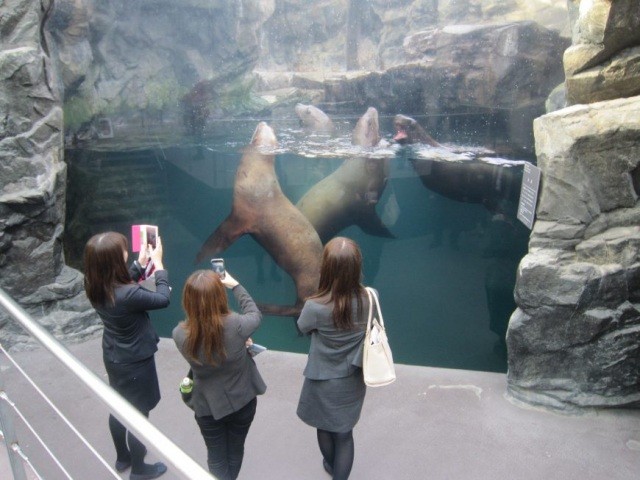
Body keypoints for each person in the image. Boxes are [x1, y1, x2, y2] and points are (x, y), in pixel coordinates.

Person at [83, 231, 170, 480]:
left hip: (114, 355)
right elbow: (162, 299)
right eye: (123, 251)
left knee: (119, 407)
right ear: (113, 260)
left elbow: (120, 287)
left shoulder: (93, 283)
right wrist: (160, 266)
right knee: (139, 414)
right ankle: (140, 470)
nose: (126, 252)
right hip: (135, 362)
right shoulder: (128, 295)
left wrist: (140, 264)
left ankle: (123, 458)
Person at [173, 269, 265, 480]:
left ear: (187, 300)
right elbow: (254, 313)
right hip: (242, 400)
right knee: (235, 448)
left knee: (215, 456)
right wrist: (235, 285)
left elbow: (208, 348)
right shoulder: (237, 325)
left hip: (207, 405)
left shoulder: (179, 334)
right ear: (219, 296)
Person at [296, 236, 371, 480]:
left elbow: (303, 328)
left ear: (326, 267)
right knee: (344, 434)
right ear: (356, 267)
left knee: (324, 427)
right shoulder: (370, 298)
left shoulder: (315, 306)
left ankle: (331, 465)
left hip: (322, 378)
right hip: (352, 377)